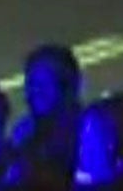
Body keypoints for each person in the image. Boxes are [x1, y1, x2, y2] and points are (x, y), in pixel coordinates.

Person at [10, 44, 83, 181]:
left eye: (46, 83)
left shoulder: (89, 133)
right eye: (32, 83)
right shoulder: (24, 133)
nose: (36, 91)